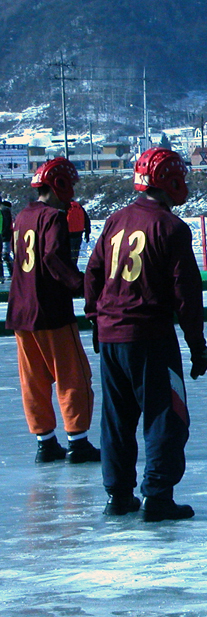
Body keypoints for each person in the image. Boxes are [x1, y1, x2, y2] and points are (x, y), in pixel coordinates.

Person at [84, 147, 207, 522]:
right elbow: (186, 293)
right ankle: (157, 496)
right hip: (150, 337)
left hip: (111, 337)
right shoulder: (171, 228)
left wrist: (96, 318)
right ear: (168, 181)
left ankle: (119, 494)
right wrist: (197, 346)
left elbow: (93, 274)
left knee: (117, 419)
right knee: (164, 417)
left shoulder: (114, 221)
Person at [5, 158, 100, 464]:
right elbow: (52, 260)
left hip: (20, 311)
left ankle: (45, 442)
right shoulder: (54, 218)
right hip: (50, 311)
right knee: (73, 375)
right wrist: (85, 286)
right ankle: (78, 441)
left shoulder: (22, 216)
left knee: (33, 379)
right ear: (59, 185)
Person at [66, 200, 91, 267]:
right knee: (75, 255)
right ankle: (74, 268)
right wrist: (87, 233)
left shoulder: (65, 206)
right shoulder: (78, 206)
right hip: (79, 234)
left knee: (67, 256)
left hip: (68, 235)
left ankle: (69, 271)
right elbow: (86, 219)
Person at [1, 196, 13, 283]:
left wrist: (3, 234)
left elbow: (6, 224)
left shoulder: (4, 211)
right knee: (4, 256)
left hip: (5, 237)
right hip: (4, 236)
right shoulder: (4, 211)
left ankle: (12, 273)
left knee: (5, 256)